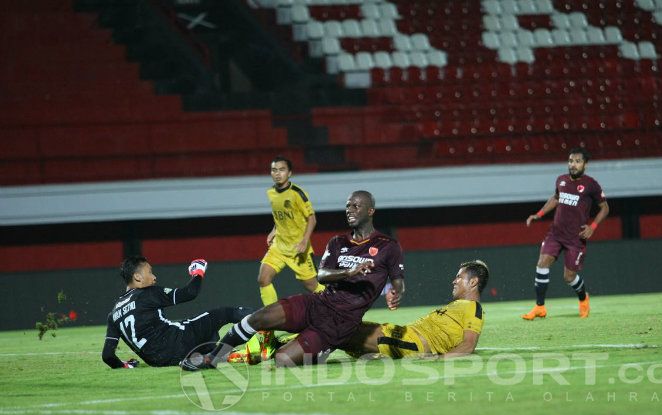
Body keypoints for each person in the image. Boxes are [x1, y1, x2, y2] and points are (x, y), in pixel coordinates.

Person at [181, 190, 405, 369]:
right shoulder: (337, 242)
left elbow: (398, 280)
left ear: (371, 210)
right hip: (318, 302)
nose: (350, 209)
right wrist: (350, 272)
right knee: (260, 317)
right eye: (348, 205)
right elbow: (322, 275)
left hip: (341, 322)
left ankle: (321, 351)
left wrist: (395, 293)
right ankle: (214, 357)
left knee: (282, 359)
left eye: (356, 205)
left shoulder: (388, 246)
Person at [228, 260, 487, 363]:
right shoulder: (456, 307)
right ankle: (279, 345)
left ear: (473, 282)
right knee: (340, 327)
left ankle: (279, 349)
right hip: (402, 333)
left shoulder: (473, 309)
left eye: (459, 277)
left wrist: (438, 359)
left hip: (410, 342)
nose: (454, 281)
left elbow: (468, 345)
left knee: (342, 329)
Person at [101, 256, 249, 368]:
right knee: (224, 313)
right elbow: (190, 293)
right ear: (137, 277)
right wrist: (198, 272)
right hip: (179, 342)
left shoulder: (113, 315)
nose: (154, 277)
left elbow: (107, 356)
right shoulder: (147, 293)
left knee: (206, 344)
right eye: (150, 272)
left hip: (158, 361)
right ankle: (264, 321)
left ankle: (215, 355)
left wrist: (126, 365)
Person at [522, 147, 609, 320]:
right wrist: (538, 214)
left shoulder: (591, 184)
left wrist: (592, 227)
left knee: (569, 277)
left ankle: (583, 299)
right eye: (570, 161)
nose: (573, 164)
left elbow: (605, 208)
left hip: (576, 238)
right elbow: (555, 198)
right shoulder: (561, 180)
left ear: (585, 164)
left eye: (577, 161)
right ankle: (540, 307)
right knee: (542, 263)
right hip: (555, 234)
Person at [259, 155, 324, 307]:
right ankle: (270, 322)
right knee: (263, 279)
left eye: (282, 170)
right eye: (274, 170)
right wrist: (273, 230)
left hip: (298, 248)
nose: (277, 173)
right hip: (279, 246)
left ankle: (337, 309)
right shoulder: (271, 193)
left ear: (289, 173)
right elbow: (279, 217)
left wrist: (304, 241)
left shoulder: (298, 193)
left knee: (311, 286)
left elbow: (312, 219)